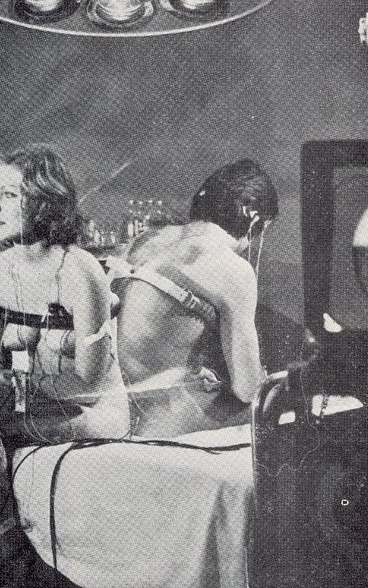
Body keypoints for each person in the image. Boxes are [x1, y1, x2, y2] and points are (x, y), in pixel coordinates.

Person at [0, 144, 130, 588]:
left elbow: (88, 383)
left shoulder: (81, 272)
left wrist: (2, 389)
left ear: (44, 200)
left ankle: (8, 543)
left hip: (91, 412)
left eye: (9, 196)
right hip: (36, 404)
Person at [109, 158, 278, 438]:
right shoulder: (231, 267)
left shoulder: (145, 240)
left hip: (121, 409)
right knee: (286, 408)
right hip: (167, 419)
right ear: (254, 218)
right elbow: (248, 389)